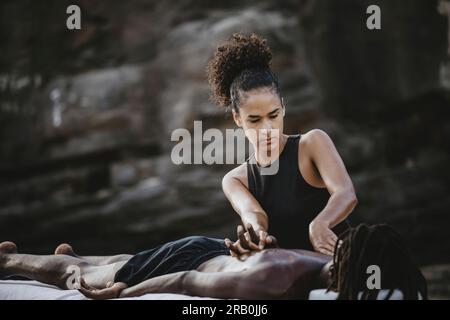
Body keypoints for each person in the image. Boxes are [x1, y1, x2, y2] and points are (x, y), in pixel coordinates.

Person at [205, 32, 358, 256]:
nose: (267, 128)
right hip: (289, 278)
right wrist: (255, 234)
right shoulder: (235, 180)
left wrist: (320, 224)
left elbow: (346, 194)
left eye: (274, 115)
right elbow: (254, 214)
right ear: (238, 119)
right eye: (255, 120)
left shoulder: (312, 143)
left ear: (283, 107)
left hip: (340, 263)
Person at [0, 224, 427, 300]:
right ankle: (12, 260)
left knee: (125, 259)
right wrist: (122, 294)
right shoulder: (277, 284)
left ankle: (75, 255)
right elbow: (185, 282)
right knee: (94, 277)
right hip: (195, 261)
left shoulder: (322, 265)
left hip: (212, 253)